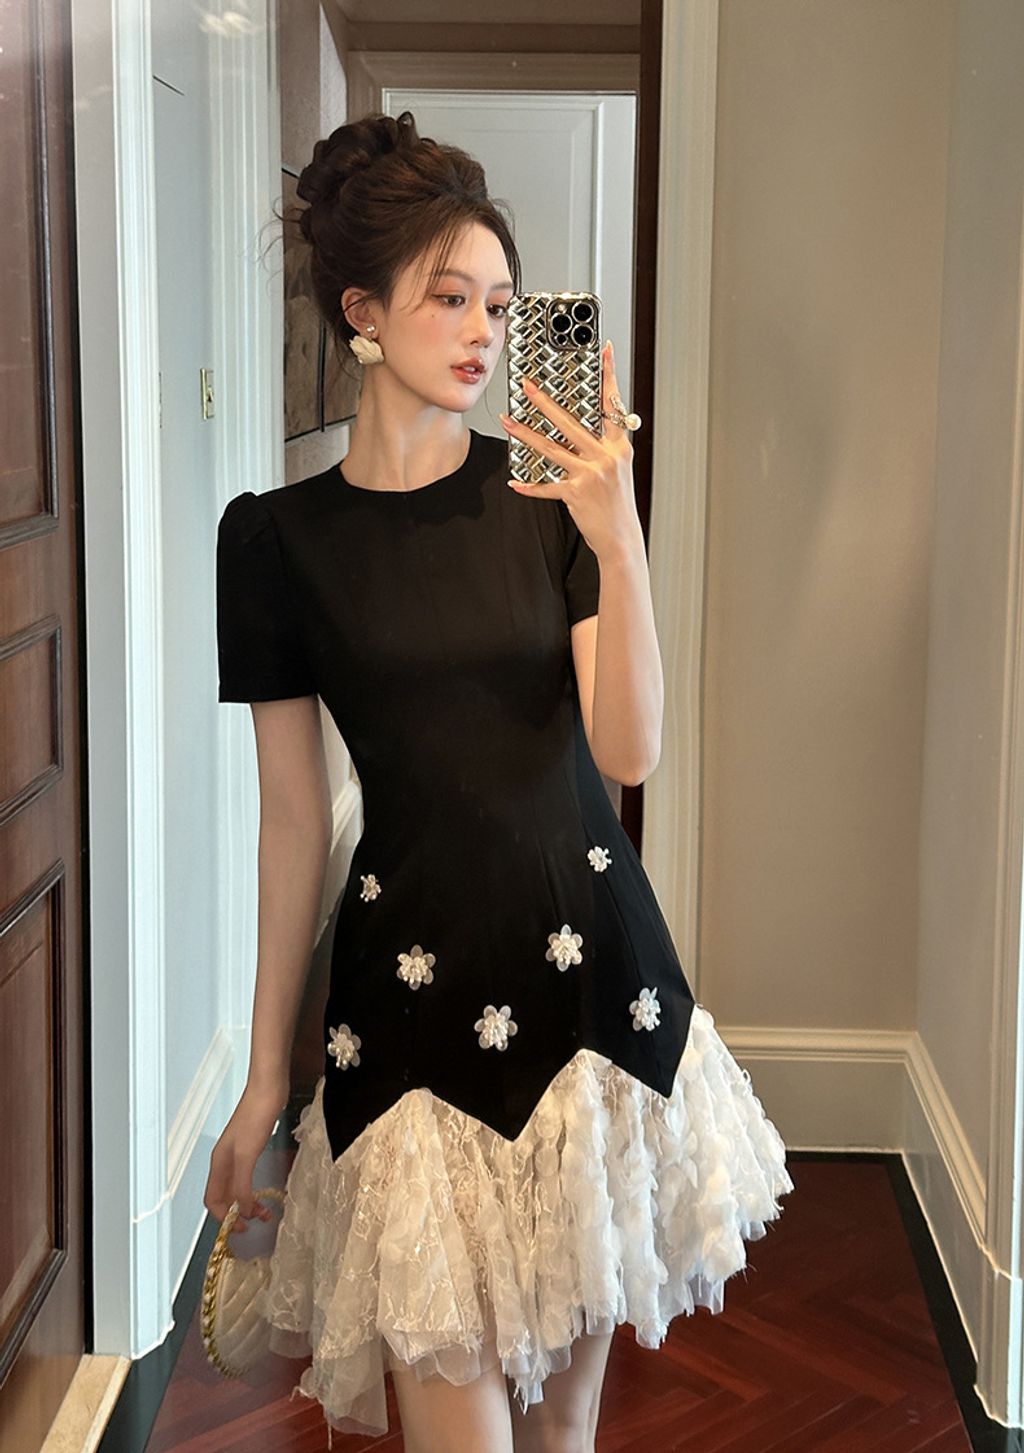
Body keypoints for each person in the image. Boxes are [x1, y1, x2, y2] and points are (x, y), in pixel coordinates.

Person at [204, 110, 794, 1453]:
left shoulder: (549, 500)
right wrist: (261, 1076)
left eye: (501, 301)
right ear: (361, 312)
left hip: (592, 996)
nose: (483, 329)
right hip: (405, 1019)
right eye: (448, 296)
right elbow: (291, 821)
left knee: (564, 1433)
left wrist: (618, 537)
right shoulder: (276, 543)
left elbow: (630, 752)